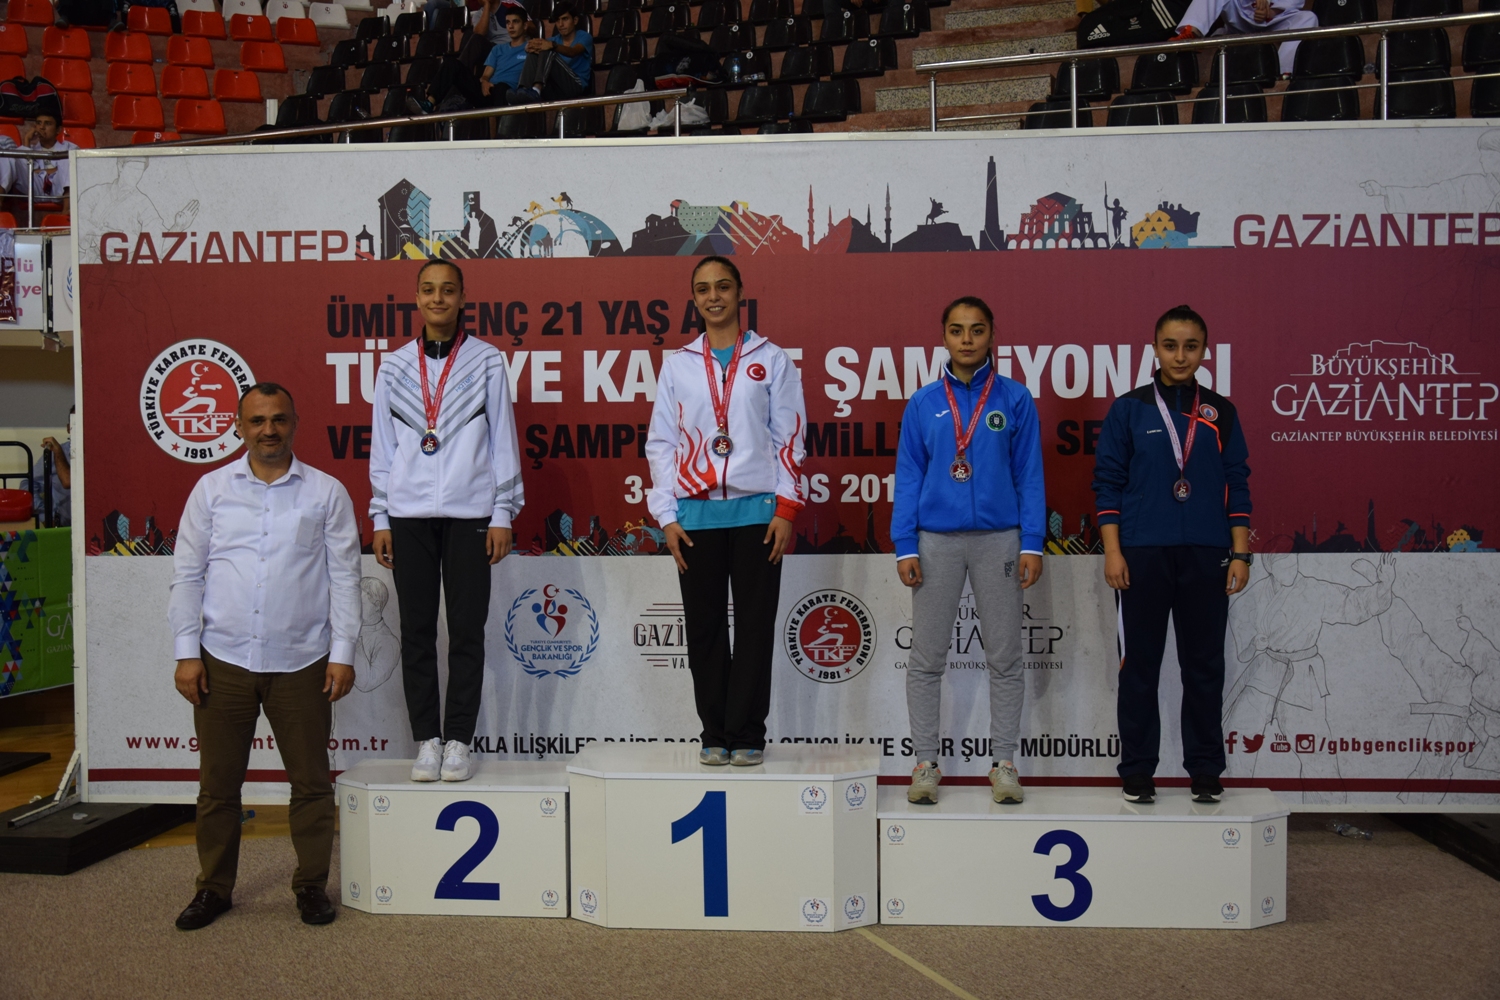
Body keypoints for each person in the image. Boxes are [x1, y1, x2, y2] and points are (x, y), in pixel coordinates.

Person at [167, 383, 360, 931]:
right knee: (217, 789)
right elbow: (187, 575)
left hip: (303, 661)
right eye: (257, 421)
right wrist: (186, 652)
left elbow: (346, 578)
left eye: (278, 419)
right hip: (221, 660)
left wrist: (342, 653)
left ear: (295, 423)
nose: (268, 430)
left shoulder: (326, 492)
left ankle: (311, 887)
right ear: (238, 426)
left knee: (312, 785)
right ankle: (213, 889)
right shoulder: (211, 489)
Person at [645, 256, 806, 767]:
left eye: (722, 287)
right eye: (703, 289)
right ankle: (714, 732)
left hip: (759, 516)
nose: (713, 297)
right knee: (705, 628)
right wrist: (667, 515)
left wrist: (786, 507)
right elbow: (661, 443)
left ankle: (748, 733)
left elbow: (789, 437)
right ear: (694, 299)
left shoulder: (772, 359)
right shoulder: (678, 364)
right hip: (695, 518)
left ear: (740, 293)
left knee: (755, 628)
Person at [1091, 304, 1253, 805]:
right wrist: (1113, 552)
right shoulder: (1129, 409)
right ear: (1155, 349)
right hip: (1141, 553)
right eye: (1170, 346)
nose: (1180, 356)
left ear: (1205, 351)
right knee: (1139, 667)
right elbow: (1107, 484)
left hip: (1207, 553)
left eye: (1191, 346)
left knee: (1204, 668)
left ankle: (1205, 770)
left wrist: (1241, 553)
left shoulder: (1221, 411)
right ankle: (1138, 770)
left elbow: (1237, 482)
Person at [369, 260, 523, 784]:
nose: (438, 298)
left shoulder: (486, 360)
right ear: (416, 298)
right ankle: (426, 741)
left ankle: (458, 738)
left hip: (471, 514)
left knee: (465, 632)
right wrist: (381, 515)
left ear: (462, 298)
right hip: (407, 516)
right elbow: (382, 449)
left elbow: (503, 439)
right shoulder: (393, 366)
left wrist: (501, 511)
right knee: (415, 632)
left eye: (448, 290)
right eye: (429, 290)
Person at [892, 297, 1045, 806]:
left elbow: (1029, 474)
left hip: (1000, 539)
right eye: (957, 330)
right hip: (935, 541)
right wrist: (904, 545)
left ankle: (1004, 764)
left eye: (977, 330)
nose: (967, 339)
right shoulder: (924, 403)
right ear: (943, 337)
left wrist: (1031, 541)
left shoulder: (1015, 398)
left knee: (1005, 656)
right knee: (927, 658)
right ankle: (925, 763)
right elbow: (908, 476)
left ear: (991, 335)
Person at [1171, 0, 1317, 77]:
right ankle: (1193, 31)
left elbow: (1295, 2)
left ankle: (1284, 71)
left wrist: (1271, 11)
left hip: (1275, 22)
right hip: (1239, 19)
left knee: (1308, 17)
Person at [509, 3, 592, 104]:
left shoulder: (584, 36)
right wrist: (529, 48)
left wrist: (552, 46)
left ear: (575, 20)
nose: (560, 24)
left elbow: (573, 52)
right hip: (555, 87)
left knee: (547, 49)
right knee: (537, 50)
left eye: (565, 19)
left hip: (575, 85)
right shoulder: (553, 40)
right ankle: (522, 90)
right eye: (557, 20)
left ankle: (536, 90)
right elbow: (542, 47)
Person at [16, 114, 77, 222]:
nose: (42, 127)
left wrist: (40, 171)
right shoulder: (31, 149)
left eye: (47, 124)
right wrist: (27, 141)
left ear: (58, 130)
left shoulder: (68, 147)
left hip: (59, 189)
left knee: (70, 156)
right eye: (38, 123)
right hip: (35, 189)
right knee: (12, 156)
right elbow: (28, 172)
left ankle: (67, 209)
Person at [480, 5, 533, 102]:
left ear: (525, 26)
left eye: (515, 22)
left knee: (501, 88)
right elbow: (486, 75)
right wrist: (484, 82)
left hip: (509, 92)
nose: (511, 26)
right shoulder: (497, 49)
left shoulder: (531, 48)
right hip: (489, 90)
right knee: (453, 65)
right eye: (508, 22)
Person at [31, 406, 72, 528]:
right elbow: (29, 484)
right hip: (63, 526)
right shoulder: (56, 452)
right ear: (68, 428)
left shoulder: (102, 454)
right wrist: (45, 516)